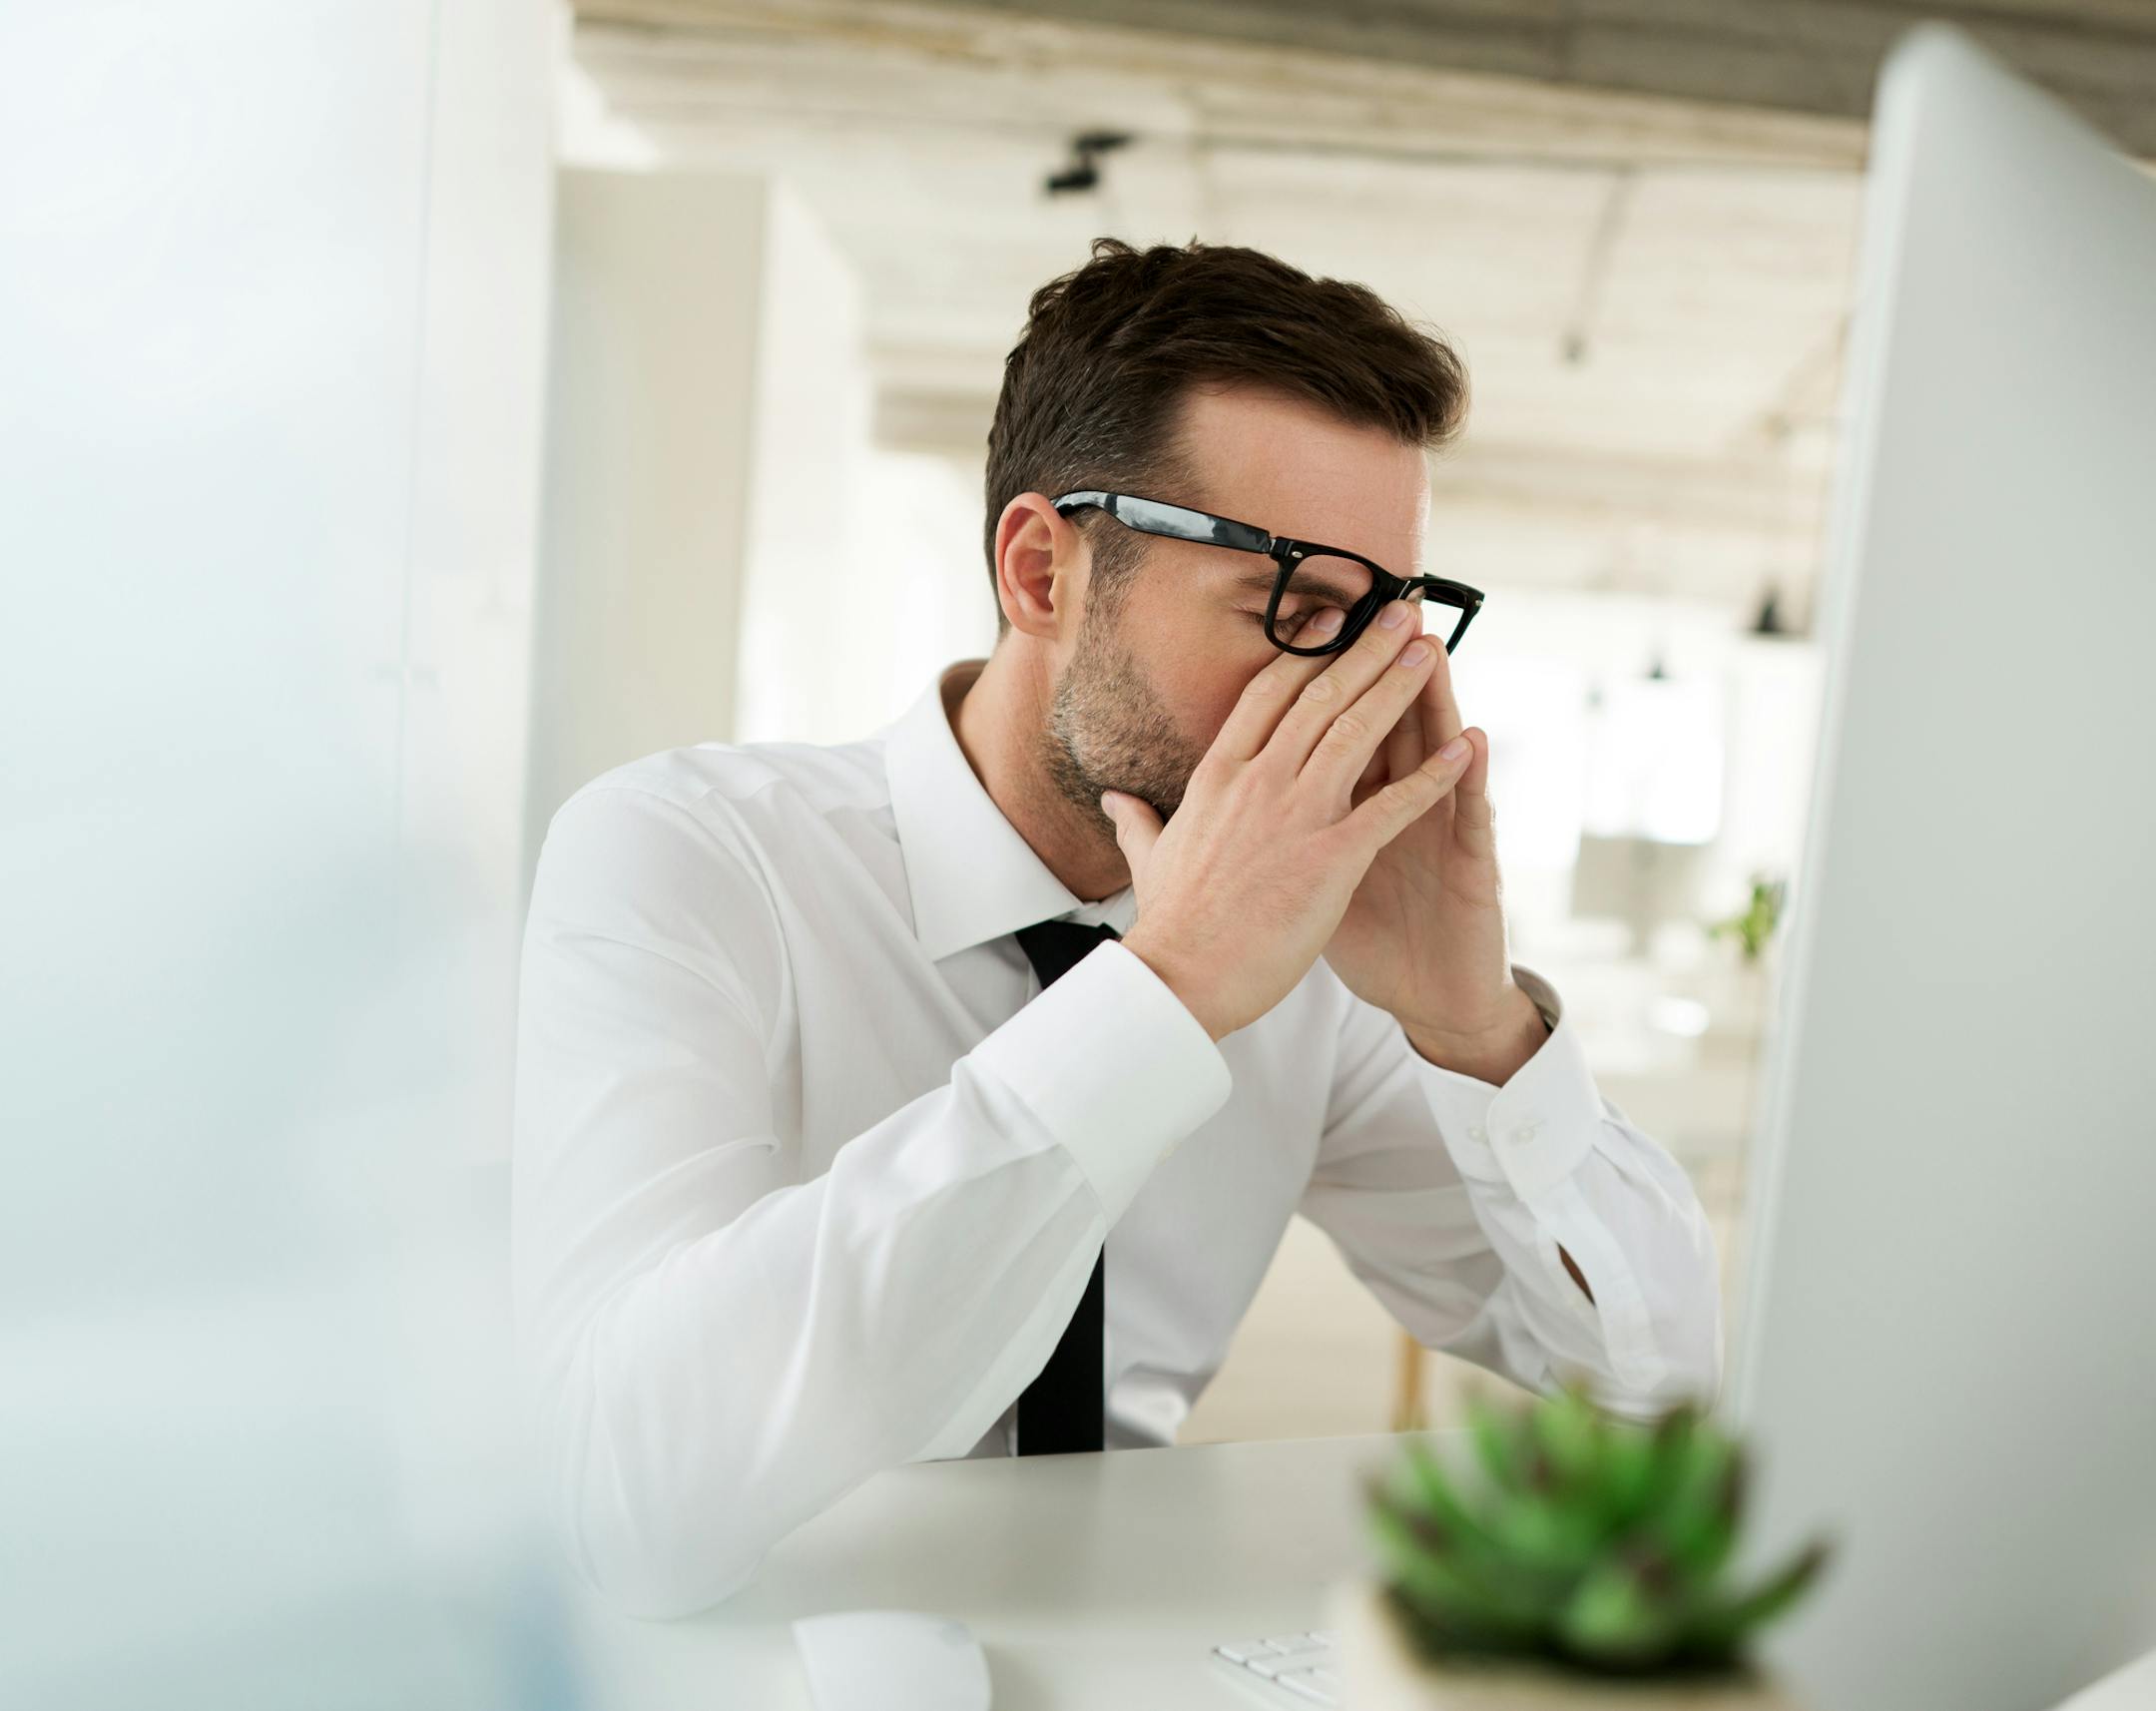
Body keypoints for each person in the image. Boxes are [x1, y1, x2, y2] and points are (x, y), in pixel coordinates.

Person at [510, 237, 1722, 1620]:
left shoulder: (1318, 961)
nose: (1362, 692)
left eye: (1392, 618)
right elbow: (617, 1494)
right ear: (1043, 573)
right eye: (1301, 605)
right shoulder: (690, 855)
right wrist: (1158, 997)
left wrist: (1476, 1027)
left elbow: (1656, 1383)